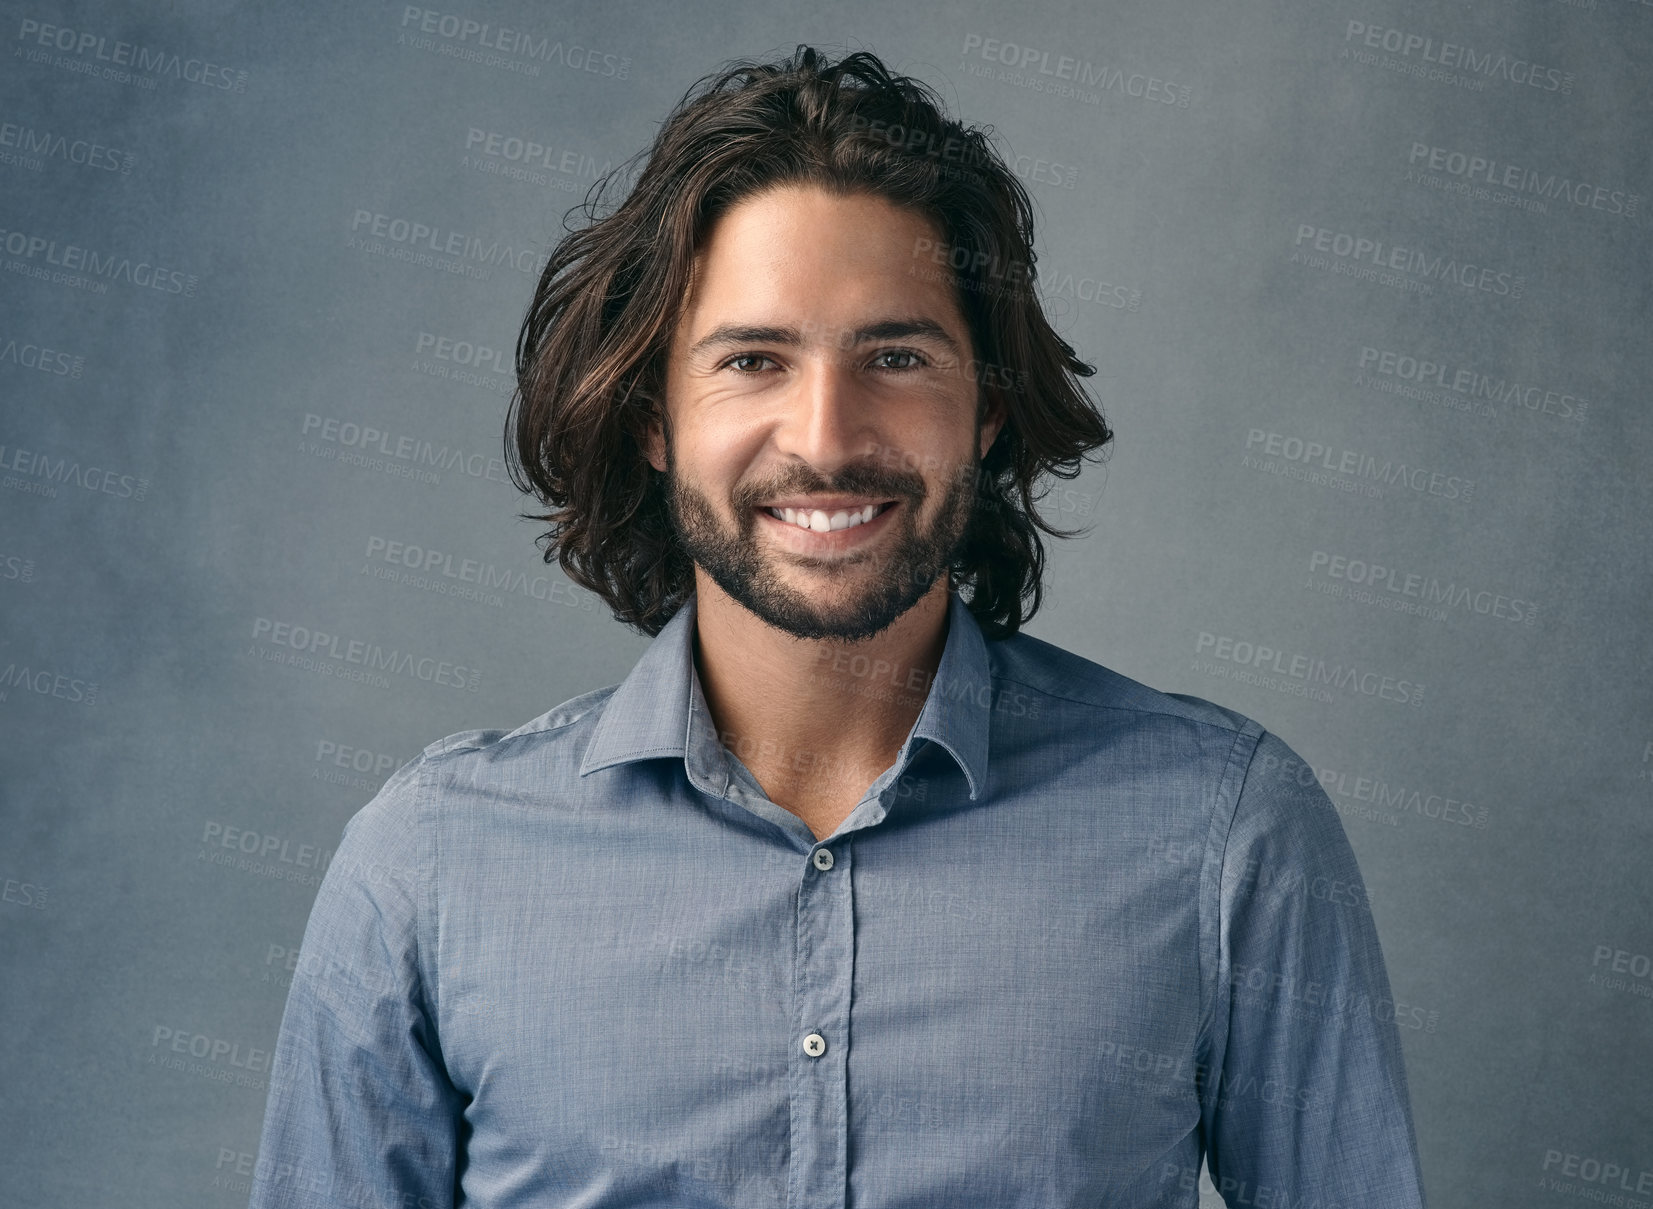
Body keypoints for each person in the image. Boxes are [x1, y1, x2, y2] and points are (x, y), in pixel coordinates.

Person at [247, 45, 1428, 1209]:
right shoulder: (430, 867)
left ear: (988, 413)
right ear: (653, 415)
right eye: (753, 359)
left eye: (897, 357)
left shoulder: (1224, 834)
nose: (824, 435)